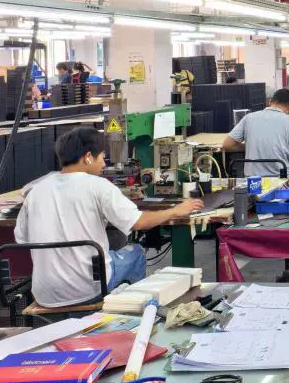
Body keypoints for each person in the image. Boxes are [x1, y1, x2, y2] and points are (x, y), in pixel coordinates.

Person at [14, 127, 203, 308]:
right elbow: (139, 223)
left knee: (108, 252)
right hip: (87, 289)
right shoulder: (98, 186)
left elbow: (22, 239)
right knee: (136, 253)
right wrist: (176, 210)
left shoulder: (35, 191)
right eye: (103, 157)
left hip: (44, 293)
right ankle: (132, 313)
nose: (104, 164)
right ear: (88, 157)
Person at [222, 88, 289, 176]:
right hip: (280, 178)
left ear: (270, 102)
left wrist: (250, 146)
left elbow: (226, 145)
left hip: (253, 179)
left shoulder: (248, 118)